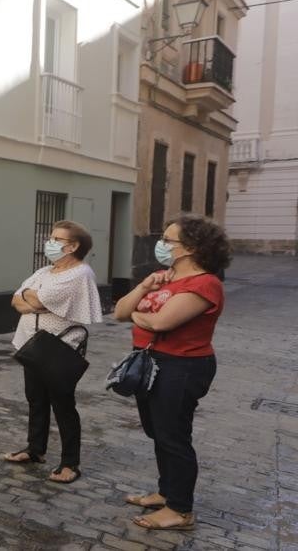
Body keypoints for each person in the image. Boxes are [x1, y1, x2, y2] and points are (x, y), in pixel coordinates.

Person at [113, 215, 231, 532]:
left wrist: (138, 314)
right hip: (150, 362)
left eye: (168, 240)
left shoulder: (205, 283)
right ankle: (166, 493)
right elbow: (119, 312)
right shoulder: (161, 278)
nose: (161, 245)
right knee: (158, 432)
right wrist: (142, 288)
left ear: (191, 247)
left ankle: (180, 510)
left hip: (182, 365)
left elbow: (161, 323)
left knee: (173, 435)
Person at [1, 220, 103, 484]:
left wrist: (33, 299)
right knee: (35, 398)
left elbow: (37, 299)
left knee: (63, 404)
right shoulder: (46, 271)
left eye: (57, 239)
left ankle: (70, 463)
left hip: (59, 347)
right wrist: (32, 299)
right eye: (51, 237)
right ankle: (35, 450)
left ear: (73, 246)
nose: (50, 242)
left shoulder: (80, 273)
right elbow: (18, 299)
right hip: (32, 345)